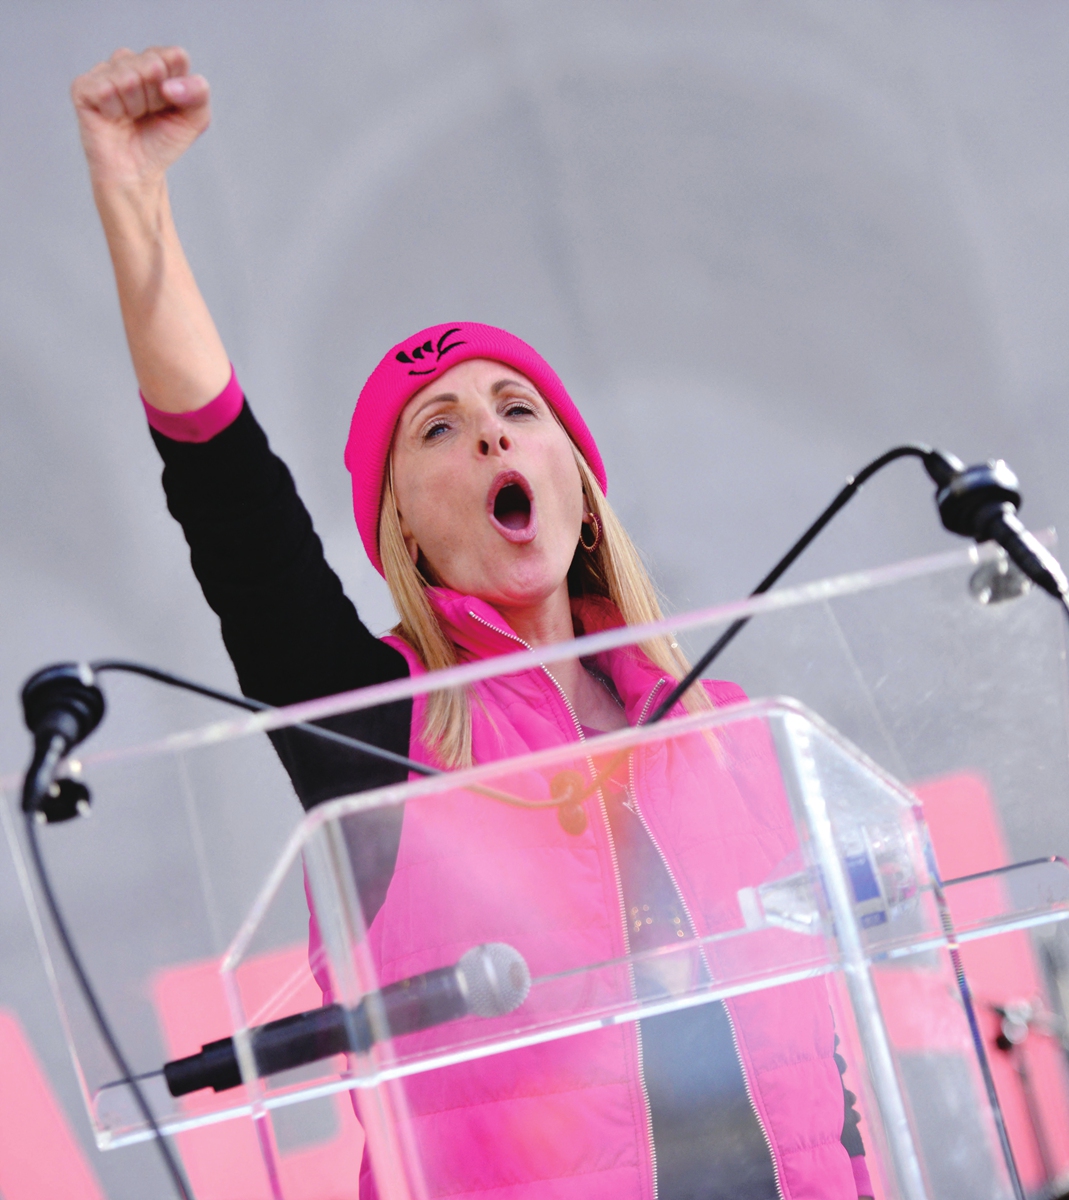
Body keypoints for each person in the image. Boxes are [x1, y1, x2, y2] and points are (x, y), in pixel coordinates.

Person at [72, 47, 874, 1200]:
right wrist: (136, 202)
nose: (491, 433)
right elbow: (235, 514)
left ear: (575, 476)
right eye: (438, 428)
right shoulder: (380, 737)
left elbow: (837, 1063)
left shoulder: (738, 730)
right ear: (402, 527)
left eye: (516, 407)